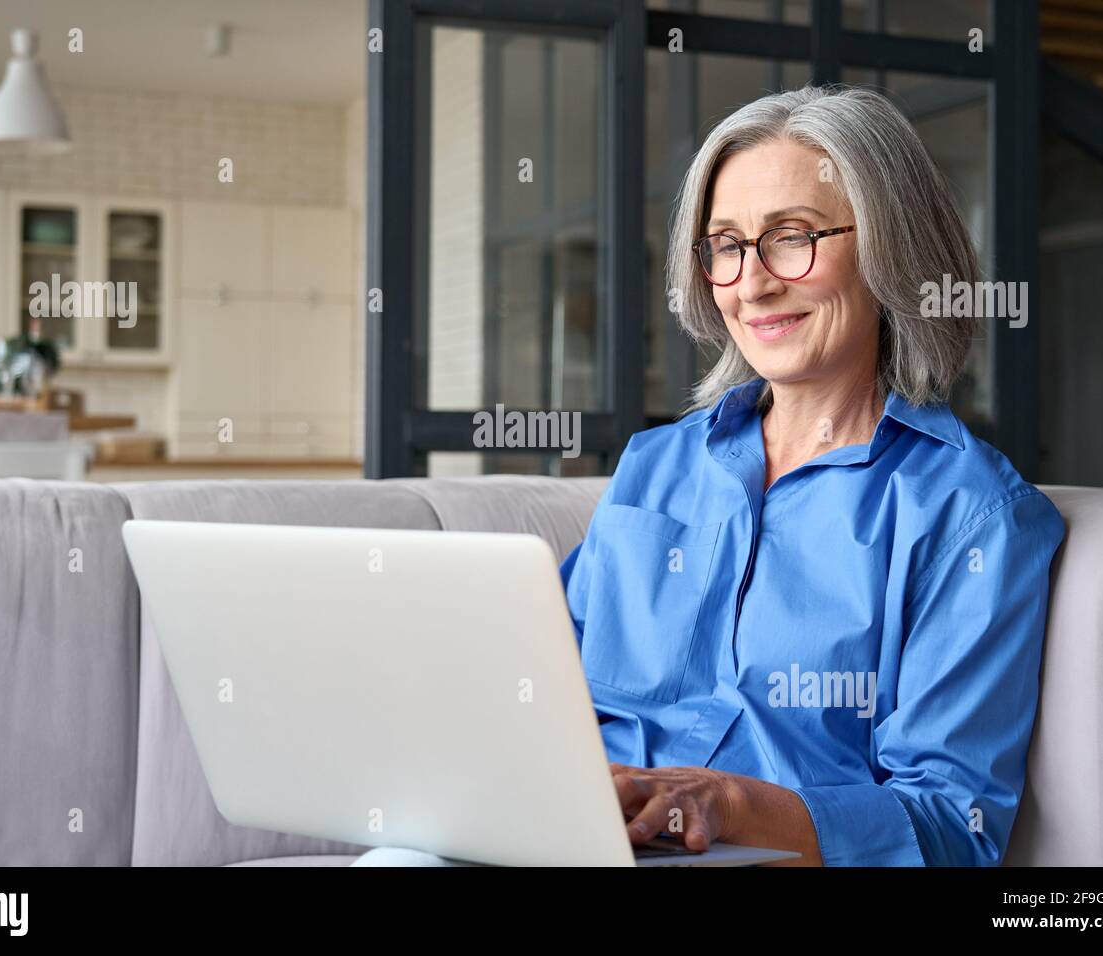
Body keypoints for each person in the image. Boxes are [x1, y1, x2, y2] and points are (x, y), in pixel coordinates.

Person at [356, 84, 1064, 866]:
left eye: (791, 236)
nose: (752, 282)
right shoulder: (655, 467)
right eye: (725, 245)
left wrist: (728, 803)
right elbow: (533, 675)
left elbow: (948, 828)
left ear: (892, 246)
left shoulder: (971, 516)